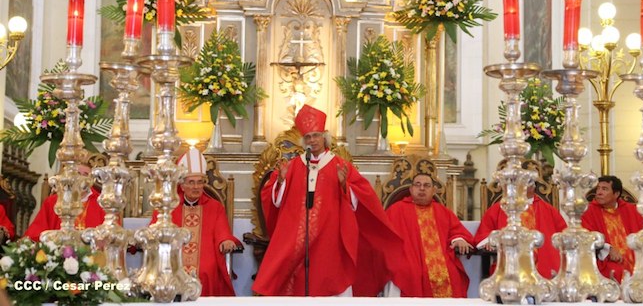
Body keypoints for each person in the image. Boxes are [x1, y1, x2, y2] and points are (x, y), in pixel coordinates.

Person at [252, 104, 402, 297]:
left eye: (316, 135)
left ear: (324, 136)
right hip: (297, 235)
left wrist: (344, 185)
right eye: (308, 137)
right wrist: (280, 181)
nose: (312, 140)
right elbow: (275, 201)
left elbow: (363, 198)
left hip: (330, 235)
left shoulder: (341, 165)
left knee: (331, 277)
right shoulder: (293, 166)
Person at [149, 147, 243, 296]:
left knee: (207, 269)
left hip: (206, 256)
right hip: (173, 255)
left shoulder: (214, 206)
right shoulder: (168, 206)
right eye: (191, 182)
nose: (196, 187)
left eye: (200, 182)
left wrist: (225, 240)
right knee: (169, 270)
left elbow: (222, 230)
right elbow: (154, 229)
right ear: (182, 185)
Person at [385, 173, 475, 297]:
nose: (422, 188)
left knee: (452, 273)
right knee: (408, 271)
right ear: (411, 189)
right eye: (418, 185)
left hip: (442, 262)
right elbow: (383, 235)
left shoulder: (443, 212)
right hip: (408, 258)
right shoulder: (396, 210)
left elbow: (457, 231)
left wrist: (459, 239)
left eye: (427, 185)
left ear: (433, 190)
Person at [474, 183, 566, 279]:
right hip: (509, 267)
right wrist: (490, 241)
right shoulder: (498, 209)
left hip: (545, 267)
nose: (526, 185)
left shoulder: (548, 210)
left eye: (530, 182)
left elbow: (563, 236)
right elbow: (483, 235)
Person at [581, 175, 643, 283]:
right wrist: (607, 248)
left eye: (604, 189)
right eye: (598, 188)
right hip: (605, 261)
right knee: (616, 272)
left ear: (616, 194)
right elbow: (586, 236)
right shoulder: (589, 211)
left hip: (635, 260)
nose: (599, 192)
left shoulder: (630, 210)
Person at [24, 163, 105, 241]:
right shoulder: (53, 201)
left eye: (85, 175)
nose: (80, 179)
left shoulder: (102, 202)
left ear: (91, 180)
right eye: (77, 173)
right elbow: (36, 232)